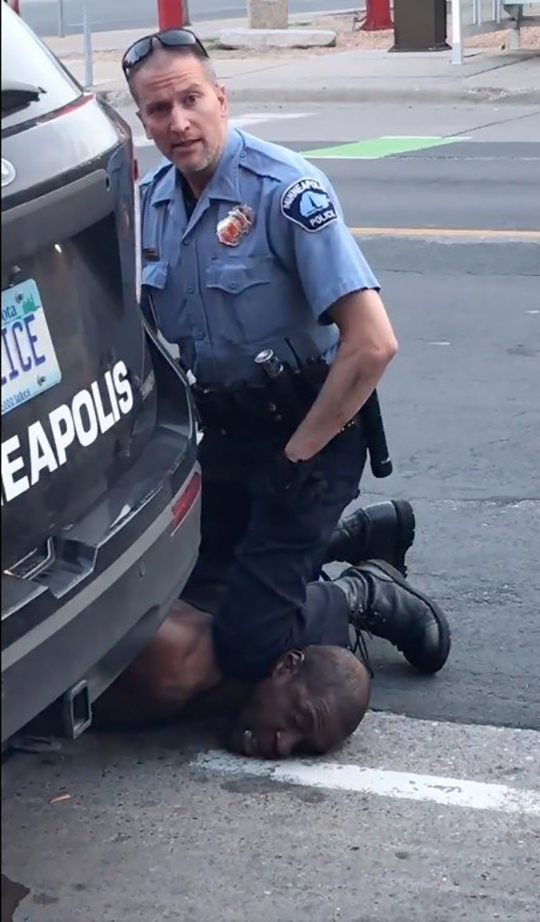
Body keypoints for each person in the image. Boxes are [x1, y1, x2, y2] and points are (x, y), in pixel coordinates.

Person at [119, 29, 451, 732]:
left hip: (309, 440)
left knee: (245, 641)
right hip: (221, 442)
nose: (176, 122)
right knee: (191, 591)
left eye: (189, 100)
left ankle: (365, 592)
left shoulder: (286, 191)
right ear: (142, 121)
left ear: (220, 98)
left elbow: (372, 345)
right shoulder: (148, 207)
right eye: (156, 111)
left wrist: (299, 456)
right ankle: (348, 538)